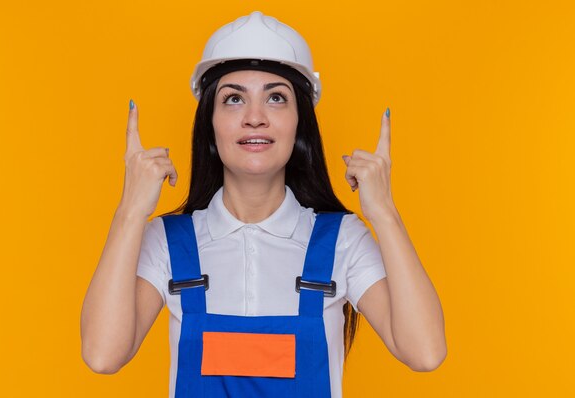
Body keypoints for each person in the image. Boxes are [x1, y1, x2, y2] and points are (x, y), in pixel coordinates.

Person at [80, 10, 446, 398]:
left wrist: (384, 214)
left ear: (299, 123)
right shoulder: (170, 243)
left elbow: (424, 352)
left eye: (275, 98)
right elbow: (103, 355)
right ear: (210, 123)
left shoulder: (341, 241)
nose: (255, 117)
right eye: (234, 99)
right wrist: (130, 212)